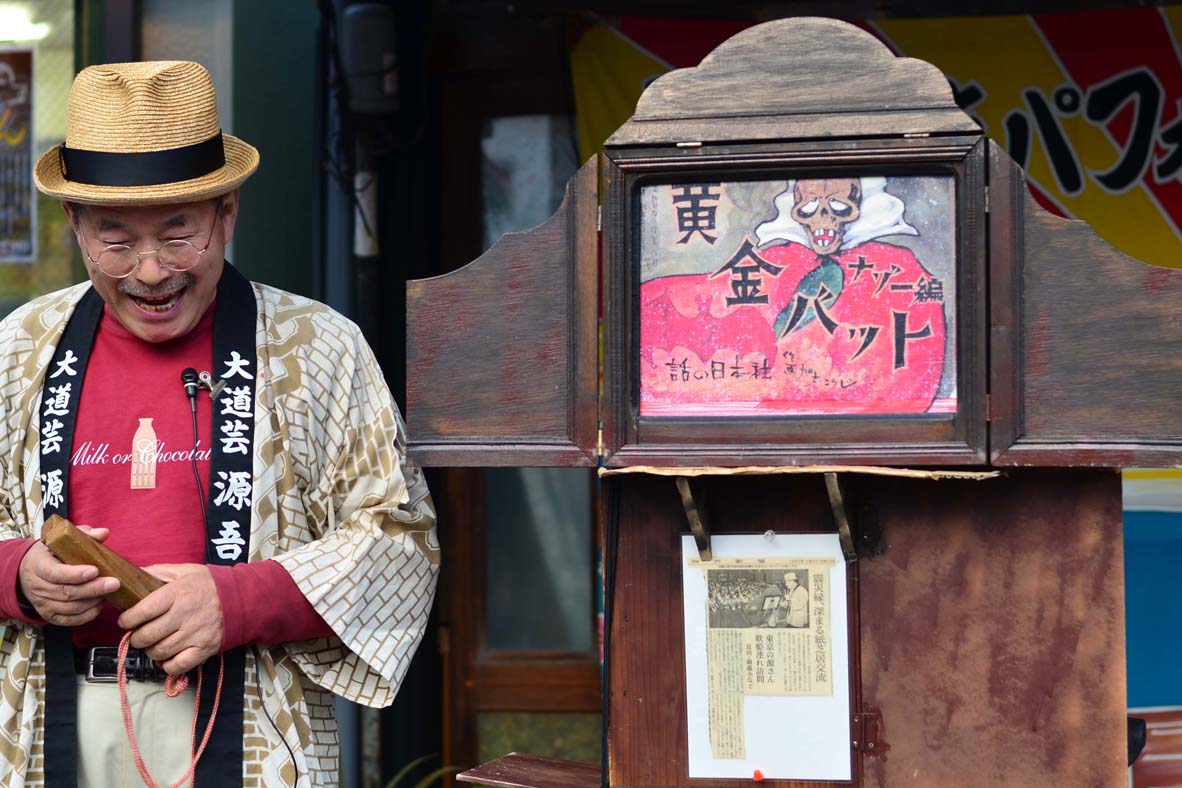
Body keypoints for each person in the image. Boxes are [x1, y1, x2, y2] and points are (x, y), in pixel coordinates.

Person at [0, 60, 439, 787]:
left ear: (226, 212)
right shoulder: (18, 351)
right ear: (73, 224)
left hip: (255, 724)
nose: (149, 271)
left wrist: (234, 600)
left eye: (179, 236)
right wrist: (18, 576)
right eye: (114, 240)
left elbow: (400, 539)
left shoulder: (317, 347)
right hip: (50, 717)